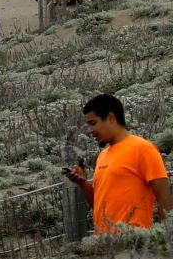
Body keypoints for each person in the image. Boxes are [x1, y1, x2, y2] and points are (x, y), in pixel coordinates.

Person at [65, 94, 171, 234]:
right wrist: (83, 183)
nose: (89, 131)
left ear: (110, 118)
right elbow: (99, 207)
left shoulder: (143, 149)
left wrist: (167, 244)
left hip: (131, 245)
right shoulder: (102, 156)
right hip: (103, 246)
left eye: (93, 123)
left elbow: (165, 201)